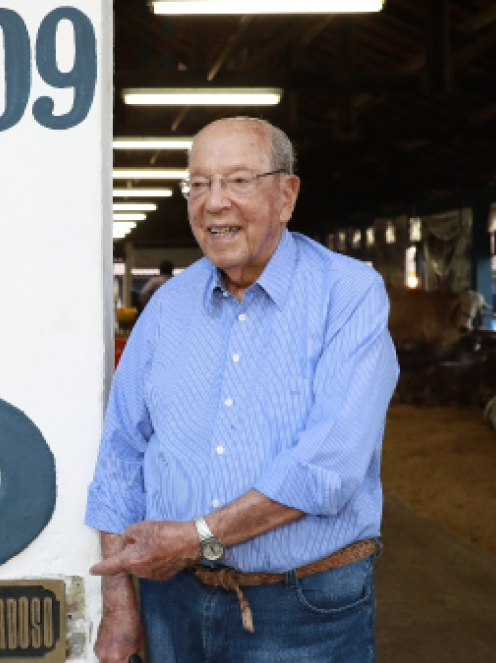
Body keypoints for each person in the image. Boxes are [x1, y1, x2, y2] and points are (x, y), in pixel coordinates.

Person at [86, 117, 399, 663]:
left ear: (286, 195)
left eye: (237, 180)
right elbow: (120, 453)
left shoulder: (348, 294)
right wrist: (118, 603)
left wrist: (194, 540)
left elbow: (328, 467)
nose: (214, 202)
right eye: (199, 183)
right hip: (172, 606)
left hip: (302, 611)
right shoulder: (166, 308)